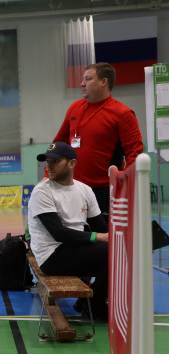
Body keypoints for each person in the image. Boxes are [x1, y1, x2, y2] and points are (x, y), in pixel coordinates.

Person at [52, 62, 143, 222]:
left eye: (88, 79)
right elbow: (59, 145)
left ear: (103, 82)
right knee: (75, 234)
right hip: (73, 187)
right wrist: (49, 175)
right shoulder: (74, 108)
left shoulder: (123, 114)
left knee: (103, 236)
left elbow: (134, 154)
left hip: (104, 192)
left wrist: (125, 186)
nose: (82, 83)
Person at [28, 142, 109, 321]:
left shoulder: (85, 190)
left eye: (55, 161)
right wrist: (100, 237)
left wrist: (118, 238)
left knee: (119, 254)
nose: (49, 166)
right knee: (109, 252)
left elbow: (101, 227)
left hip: (74, 249)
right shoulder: (42, 192)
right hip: (51, 256)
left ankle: (89, 302)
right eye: (48, 161)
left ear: (72, 163)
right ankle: (94, 306)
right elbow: (59, 233)